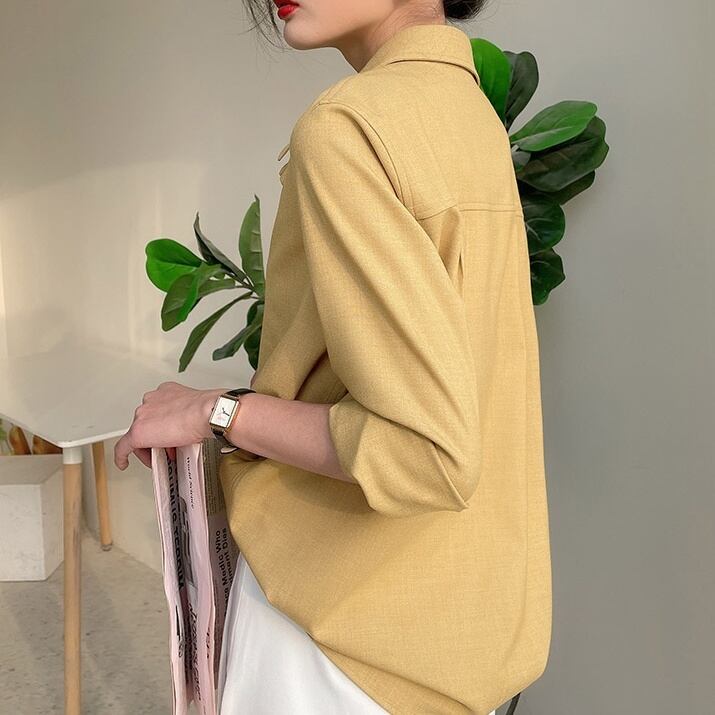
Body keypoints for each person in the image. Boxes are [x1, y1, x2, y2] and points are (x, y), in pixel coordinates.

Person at [115, 1, 552, 713]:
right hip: (459, 626)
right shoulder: (466, 111)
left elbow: (423, 451)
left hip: (339, 636)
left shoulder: (348, 127)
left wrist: (216, 411)